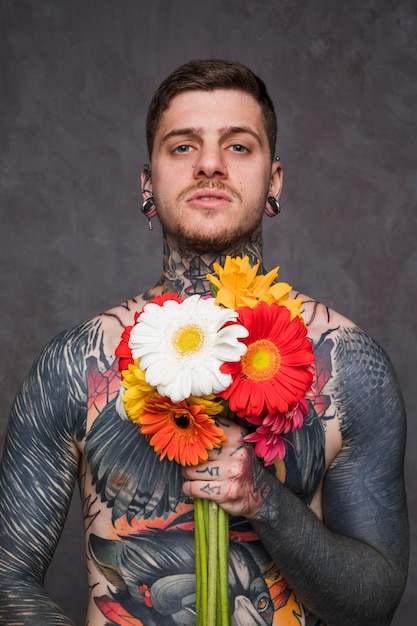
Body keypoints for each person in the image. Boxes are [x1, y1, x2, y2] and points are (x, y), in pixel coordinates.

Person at [0, 59, 409, 626]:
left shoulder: (347, 366)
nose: (211, 164)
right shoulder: (76, 364)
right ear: (149, 183)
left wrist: (264, 501)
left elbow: (375, 604)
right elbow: (7, 578)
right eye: (183, 147)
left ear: (275, 181)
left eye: (239, 147)